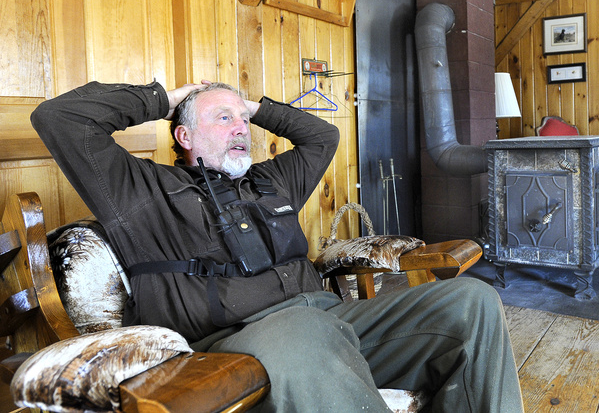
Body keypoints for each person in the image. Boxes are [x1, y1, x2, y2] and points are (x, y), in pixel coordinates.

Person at [31, 80, 523, 412]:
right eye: (222, 118)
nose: (240, 127)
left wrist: (255, 106)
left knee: (471, 300)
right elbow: (60, 118)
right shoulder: (141, 190)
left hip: (332, 321)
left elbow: (322, 136)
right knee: (302, 330)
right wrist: (167, 96)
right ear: (183, 135)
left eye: (241, 119)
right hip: (234, 343)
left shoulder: (272, 180)